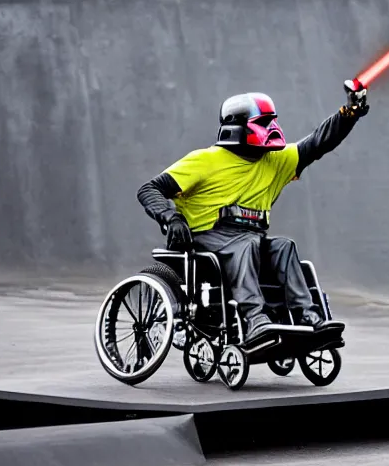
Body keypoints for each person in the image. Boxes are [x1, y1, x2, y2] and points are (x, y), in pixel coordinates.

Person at [137, 80, 369, 344]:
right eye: (263, 123)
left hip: (250, 236)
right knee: (246, 244)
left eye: (272, 121)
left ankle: (307, 315)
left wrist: (350, 112)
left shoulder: (276, 161)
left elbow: (318, 142)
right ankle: (255, 319)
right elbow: (149, 189)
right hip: (205, 235)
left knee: (284, 246)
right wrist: (172, 217)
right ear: (237, 127)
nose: (271, 129)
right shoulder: (204, 160)